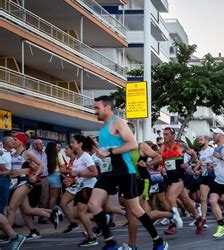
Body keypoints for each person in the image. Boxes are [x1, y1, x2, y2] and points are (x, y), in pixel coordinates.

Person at [87, 96, 167, 250]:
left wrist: (109, 152)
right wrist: (101, 154)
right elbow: (107, 152)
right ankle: (110, 242)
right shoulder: (103, 128)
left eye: (97, 108)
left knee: (136, 210)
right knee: (93, 204)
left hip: (124, 171)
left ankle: (158, 241)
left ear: (107, 108)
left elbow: (131, 144)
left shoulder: (117, 122)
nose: (95, 111)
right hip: (108, 172)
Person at [7, 133, 59, 239]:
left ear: (21, 142)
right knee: (26, 210)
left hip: (25, 182)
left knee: (10, 209)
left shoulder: (26, 153)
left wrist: (35, 175)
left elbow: (41, 165)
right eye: (12, 139)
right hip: (15, 183)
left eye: (15, 140)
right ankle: (47, 218)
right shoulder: (12, 154)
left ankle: (9, 235)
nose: (12, 141)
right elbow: (14, 170)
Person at [159, 127, 201, 235]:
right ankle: (198, 219)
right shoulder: (162, 147)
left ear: (173, 135)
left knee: (170, 197)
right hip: (169, 178)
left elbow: (193, 155)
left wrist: (188, 163)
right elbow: (158, 159)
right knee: (185, 200)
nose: (165, 136)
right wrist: (159, 167)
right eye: (164, 134)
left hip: (179, 177)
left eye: (167, 134)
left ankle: (175, 222)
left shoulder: (181, 145)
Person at [66, 135, 99, 247]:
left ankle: (91, 238)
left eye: (73, 142)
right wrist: (71, 180)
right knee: (76, 214)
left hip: (89, 186)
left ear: (80, 144)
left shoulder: (86, 157)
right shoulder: (76, 158)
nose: (71, 144)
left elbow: (95, 173)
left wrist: (78, 174)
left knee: (81, 212)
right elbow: (77, 176)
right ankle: (100, 216)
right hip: (80, 187)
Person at [59, 144, 80, 234]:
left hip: (80, 186)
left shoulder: (77, 159)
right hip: (73, 186)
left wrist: (66, 171)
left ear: (72, 150)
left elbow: (79, 172)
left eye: (67, 149)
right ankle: (73, 224)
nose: (65, 150)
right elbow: (70, 174)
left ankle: (103, 217)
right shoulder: (71, 160)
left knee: (81, 212)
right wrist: (66, 177)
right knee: (63, 204)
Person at [30, 139, 50, 224]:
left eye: (42, 144)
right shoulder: (31, 154)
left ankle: (42, 218)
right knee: (33, 199)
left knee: (44, 198)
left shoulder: (44, 153)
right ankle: (30, 217)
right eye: (40, 144)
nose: (42, 145)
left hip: (44, 178)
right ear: (35, 145)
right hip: (35, 178)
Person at [45, 142, 65, 220]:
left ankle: (46, 214)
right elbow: (62, 165)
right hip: (56, 175)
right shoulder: (57, 155)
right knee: (54, 197)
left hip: (47, 176)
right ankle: (51, 214)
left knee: (48, 197)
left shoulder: (45, 155)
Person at [0, 137, 13, 214]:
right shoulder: (1, 152)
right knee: (2, 201)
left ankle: (11, 220)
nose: (13, 142)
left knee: (10, 201)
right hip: (3, 178)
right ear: (6, 143)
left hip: (12, 178)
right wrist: (14, 172)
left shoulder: (13, 152)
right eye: (11, 141)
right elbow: (2, 168)